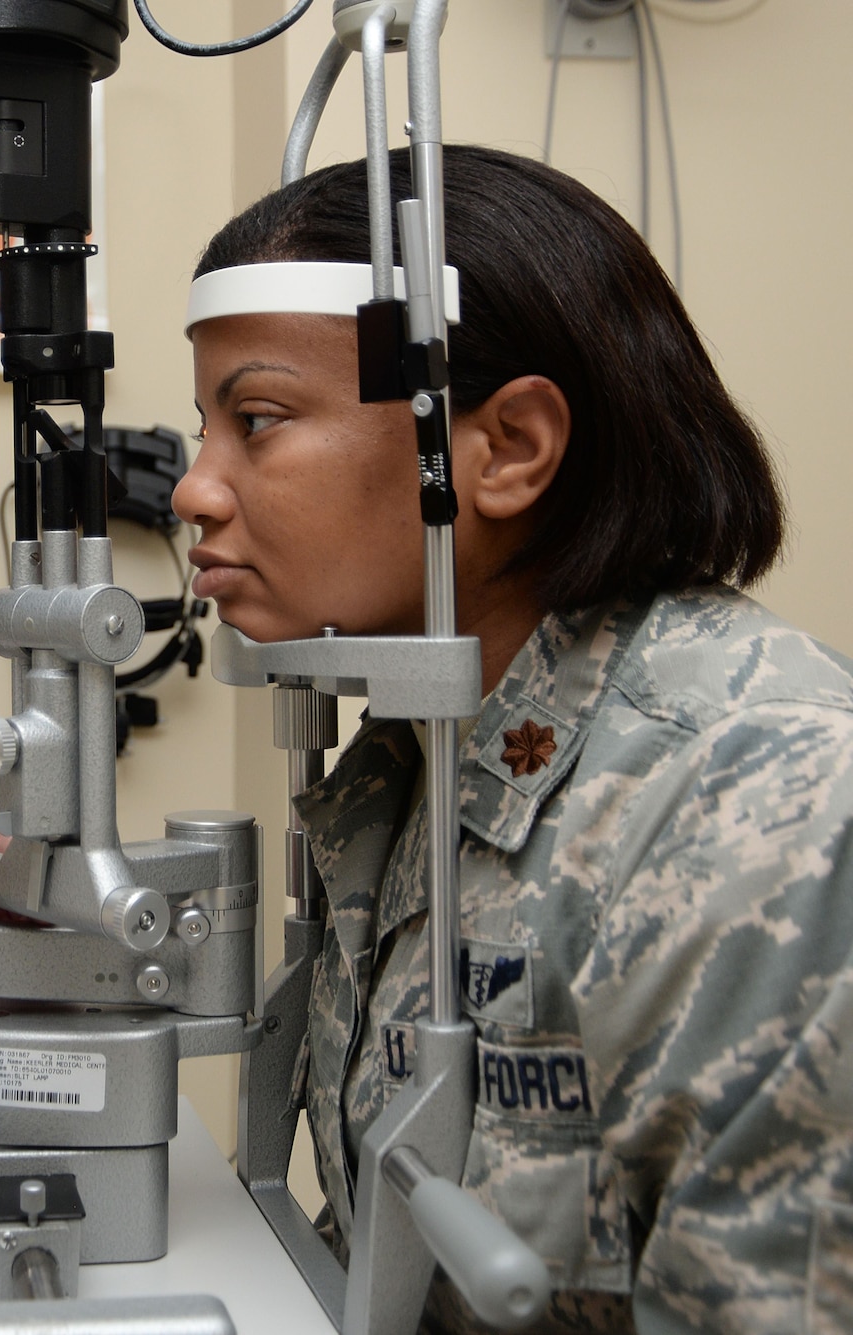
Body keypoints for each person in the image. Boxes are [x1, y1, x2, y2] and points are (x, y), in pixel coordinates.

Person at [174, 144, 853, 1333]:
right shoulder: (408, 771)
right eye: (202, 430)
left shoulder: (766, 804)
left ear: (505, 450)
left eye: (258, 421)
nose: (193, 490)